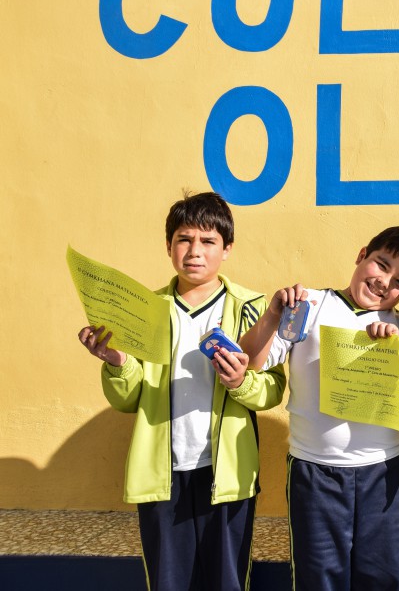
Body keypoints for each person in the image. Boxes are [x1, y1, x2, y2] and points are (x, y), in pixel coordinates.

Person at [77, 191, 283, 591]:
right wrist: (117, 362)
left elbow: (273, 388)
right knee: (168, 581)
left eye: (208, 241)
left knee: (227, 580)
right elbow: (127, 399)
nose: (195, 251)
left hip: (227, 476)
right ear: (168, 246)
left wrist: (240, 382)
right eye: (184, 239)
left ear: (227, 249)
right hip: (162, 476)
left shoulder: (252, 307)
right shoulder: (145, 310)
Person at [239, 226, 399, 591]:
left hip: (384, 471)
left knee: (387, 579)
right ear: (362, 255)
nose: (384, 282)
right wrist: (273, 315)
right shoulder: (307, 306)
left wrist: (394, 362)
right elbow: (250, 361)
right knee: (318, 579)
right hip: (315, 472)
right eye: (382, 264)